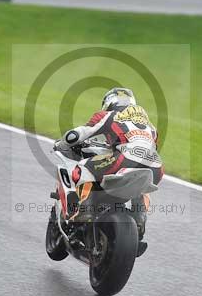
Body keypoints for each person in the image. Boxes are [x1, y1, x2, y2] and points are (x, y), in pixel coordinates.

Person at [53, 88, 164, 256]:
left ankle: (83, 211)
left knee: (81, 168)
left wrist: (62, 143)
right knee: (143, 187)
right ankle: (139, 220)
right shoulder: (151, 126)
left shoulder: (108, 116)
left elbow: (79, 134)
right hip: (156, 167)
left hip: (124, 159)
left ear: (109, 102)